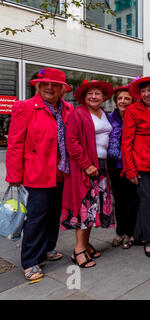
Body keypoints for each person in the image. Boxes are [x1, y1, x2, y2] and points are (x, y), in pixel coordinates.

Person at [5, 68, 73, 281]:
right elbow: (15, 143)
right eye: (45, 84)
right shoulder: (24, 107)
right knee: (36, 217)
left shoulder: (68, 109)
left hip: (62, 172)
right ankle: (30, 260)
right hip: (37, 172)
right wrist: (14, 175)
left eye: (55, 84)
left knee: (54, 215)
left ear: (63, 89)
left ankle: (48, 248)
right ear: (37, 86)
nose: (50, 87)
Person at [61, 80, 115, 268]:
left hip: (101, 165)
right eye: (90, 93)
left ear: (103, 97)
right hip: (86, 166)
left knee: (94, 208)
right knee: (85, 208)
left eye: (97, 93)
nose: (94, 96)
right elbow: (72, 142)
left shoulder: (103, 113)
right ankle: (78, 250)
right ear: (84, 96)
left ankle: (86, 244)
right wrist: (86, 165)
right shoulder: (79, 113)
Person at [121, 76, 150, 258]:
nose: (147, 94)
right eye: (144, 91)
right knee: (147, 201)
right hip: (140, 163)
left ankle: (139, 235)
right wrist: (130, 169)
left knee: (146, 201)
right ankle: (149, 241)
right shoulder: (132, 110)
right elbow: (126, 142)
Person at [107, 85, 139, 250]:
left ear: (132, 100)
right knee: (118, 200)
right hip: (114, 164)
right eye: (120, 98)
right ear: (115, 100)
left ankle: (131, 233)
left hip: (132, 164)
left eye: (127, 98)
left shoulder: (135, 116)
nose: (123, 101)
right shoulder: (109, 118)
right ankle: (120, 232)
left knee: (132, 200)